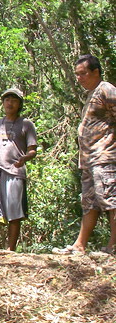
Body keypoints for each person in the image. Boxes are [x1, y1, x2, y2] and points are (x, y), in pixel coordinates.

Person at [53, 55, 116, 255]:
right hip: (88, 160)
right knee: (89, 203)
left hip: (105, 156)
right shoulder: (91, 94)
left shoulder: (106, 90)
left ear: (95, 72)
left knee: (111, 200)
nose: (79, 78)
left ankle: (113, 246)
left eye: (83, 73)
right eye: (77, 74)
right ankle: (80, 245)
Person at [0, 88, 37, 252]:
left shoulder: (26, 124)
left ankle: (11, 251)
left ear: (19, 105)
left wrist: (25, 158)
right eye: (7, 100)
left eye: (14, 101)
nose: (10, 103)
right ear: (3, 103)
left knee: (14, 214)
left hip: (14, 172)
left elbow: (33, 150)